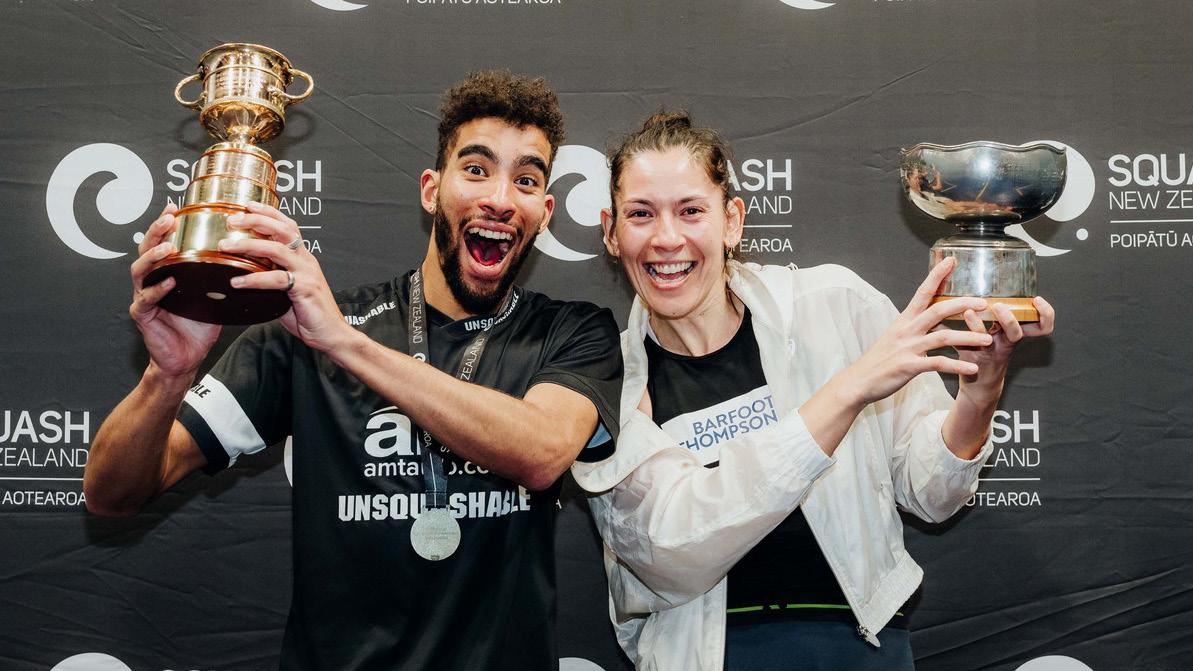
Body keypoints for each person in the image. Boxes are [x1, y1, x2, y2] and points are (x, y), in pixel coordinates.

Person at [83, 71, 621, 670]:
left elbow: (542, 453)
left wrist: (342, 342)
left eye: (525, 180)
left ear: (544, 212)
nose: (500, 197)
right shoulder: (301, 336)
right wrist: (167, 376)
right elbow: (113, 494)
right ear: (431, 190)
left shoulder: (572, 331)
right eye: (475, 169)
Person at [571, 112, 1055, 670]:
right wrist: (847, 391)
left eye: (691, 211)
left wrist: (980, 391)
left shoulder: (835, 305)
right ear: (611, 232)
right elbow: (669, 552)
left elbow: (932, 493)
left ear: (732, 221)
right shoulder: (603, 382)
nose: (667, 238)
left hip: (860, 647)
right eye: (640, 214)